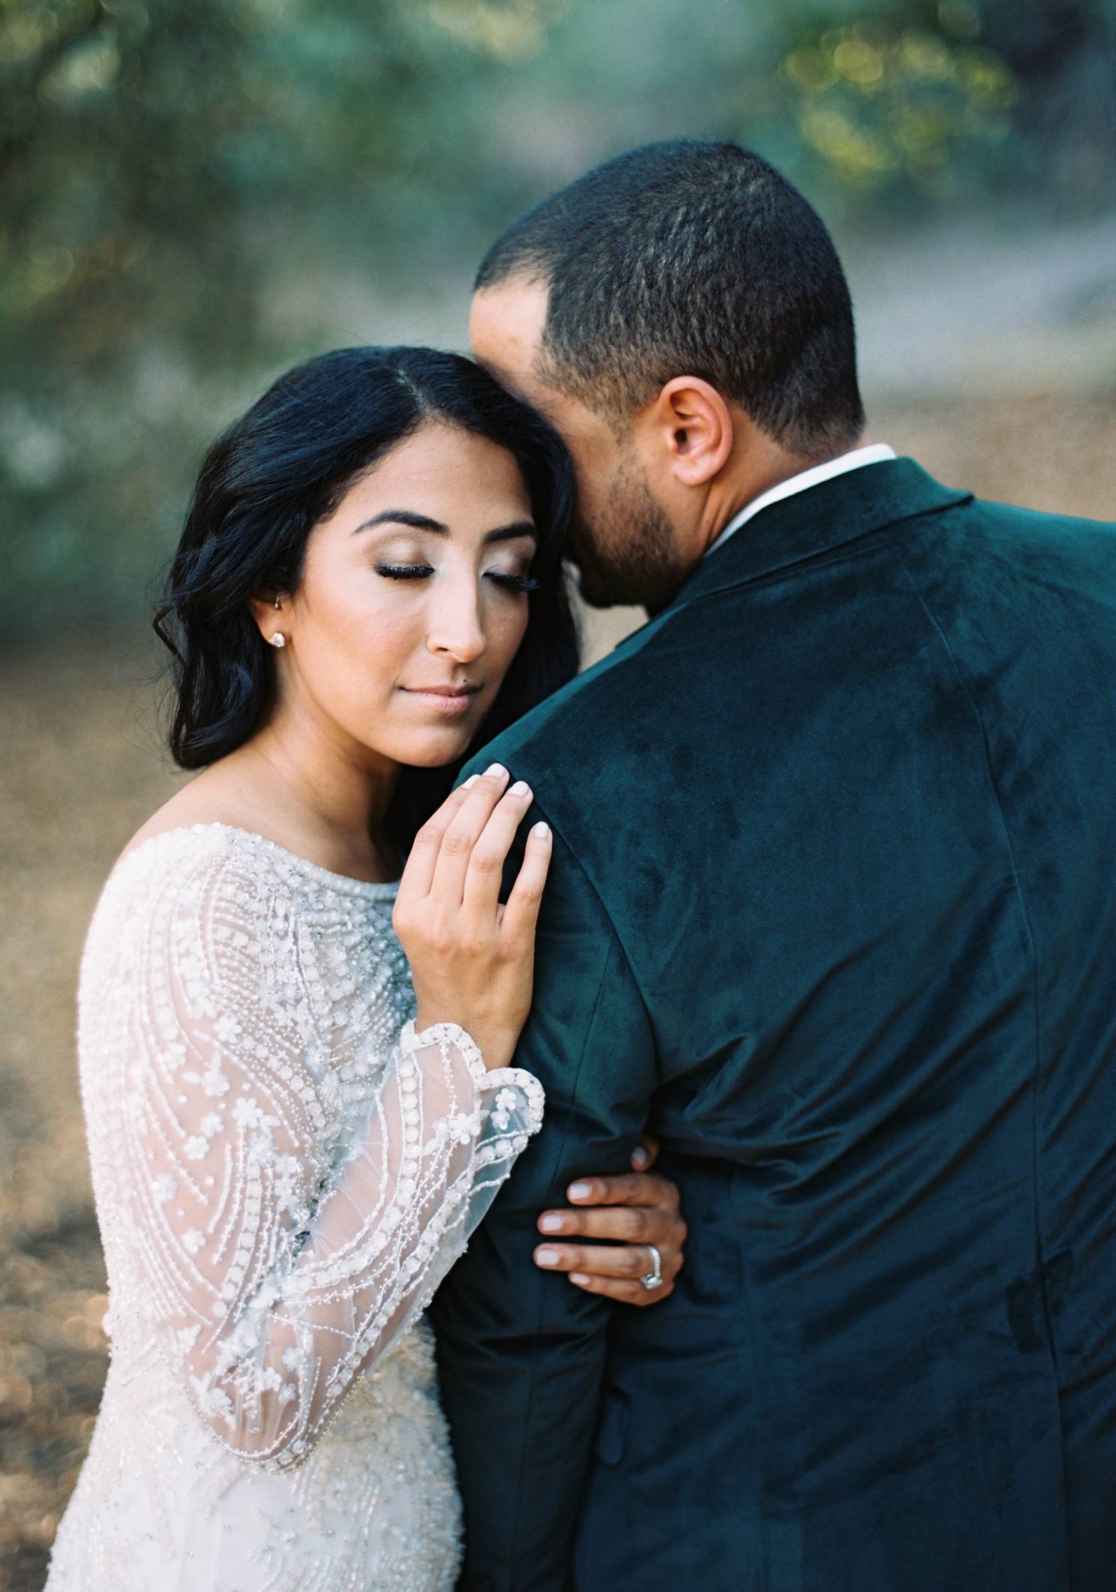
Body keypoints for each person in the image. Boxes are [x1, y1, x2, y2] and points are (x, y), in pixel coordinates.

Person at [429, 140, 1116, 1591]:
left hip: (773, 1537)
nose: (515, 489)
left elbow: (533, 1312)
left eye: (531, 434)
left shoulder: (567, 794)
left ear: (687, 428)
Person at [44, 346, 687, 1591]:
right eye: (404, 566)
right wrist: (453, 1047)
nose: (468, 631)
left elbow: (431, 1236)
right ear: (271, 589)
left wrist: (629, 1229)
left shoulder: (437, 849)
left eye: (506, 575)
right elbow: (253, 1395)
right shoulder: (200, 901)